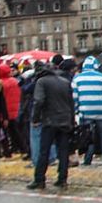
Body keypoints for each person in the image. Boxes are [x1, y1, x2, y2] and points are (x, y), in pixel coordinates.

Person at [29, 58, 76, 189]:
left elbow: (38, 101)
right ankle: (62, 179)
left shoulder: (41, 82)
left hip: (49, 121)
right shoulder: (65, 82)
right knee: (63, 151)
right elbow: (71, 103)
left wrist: (35, 119)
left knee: (44, 151)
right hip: (65, 120)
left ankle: (39, 179)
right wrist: (72, 121)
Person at [72, 55, 102, 164]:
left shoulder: (77, 79)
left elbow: (74, 97)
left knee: (88, 136)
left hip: (85, 112)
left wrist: (76, 110)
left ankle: (88, 158)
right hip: (101, 111)